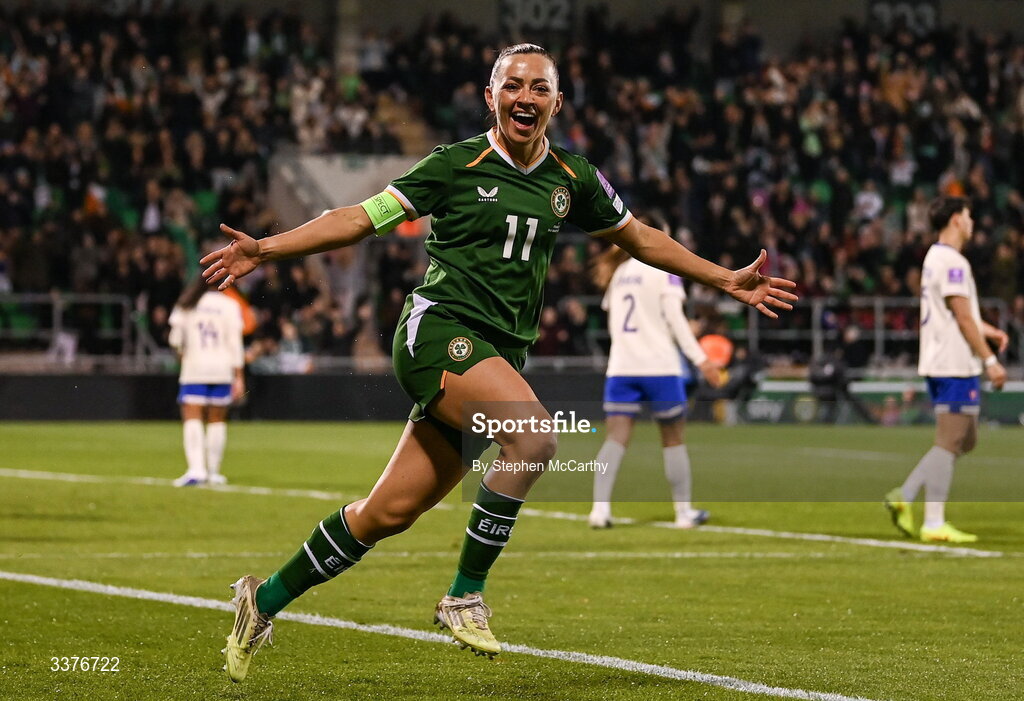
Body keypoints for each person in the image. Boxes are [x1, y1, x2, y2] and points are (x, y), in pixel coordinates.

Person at [200, 44, 797, 682]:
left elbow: (640, 237)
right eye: (513, 86)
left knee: (386, 514)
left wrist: (724, 279)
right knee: (536, 436)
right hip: (438, 333)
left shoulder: (573, 178)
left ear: (556, 104)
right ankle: (464, 594)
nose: (525, 98)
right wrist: (267, 249)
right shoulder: (454, 164)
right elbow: (358, 218)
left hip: (495, 356)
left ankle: (260, 602)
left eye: (539, 88)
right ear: (491, 97)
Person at [884, 197, 1007, 544]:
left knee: (965, 439)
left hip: (942, 359)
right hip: (954, 363)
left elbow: (959, 315)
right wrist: (991, 360)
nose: (972, 222)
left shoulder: (935, 258)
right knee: (951, 439)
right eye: (968, 215)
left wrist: (990, 331)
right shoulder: (952, 261)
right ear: (955, 219)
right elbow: (963, 316)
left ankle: (905, 497)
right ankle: (932, 520)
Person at [587, 246, 724, 529]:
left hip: (622, 368)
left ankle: (599, 511)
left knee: (614, 439)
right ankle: (683, 513)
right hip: (660, 367)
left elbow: (614, 322)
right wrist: (701, 359)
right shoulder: (665, 271)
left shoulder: (619, 273)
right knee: (673, 439)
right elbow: (674, 319)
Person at [167, 277, 246, 487]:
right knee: (217, 420)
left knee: (192, 417)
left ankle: (196, 470)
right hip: (222, 369)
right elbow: (235, 343)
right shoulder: (230, 305)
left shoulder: (187, 303)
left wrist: (182, 353)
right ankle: (213, 472)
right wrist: (239, 376)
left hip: (195, 367)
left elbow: (175, 340)